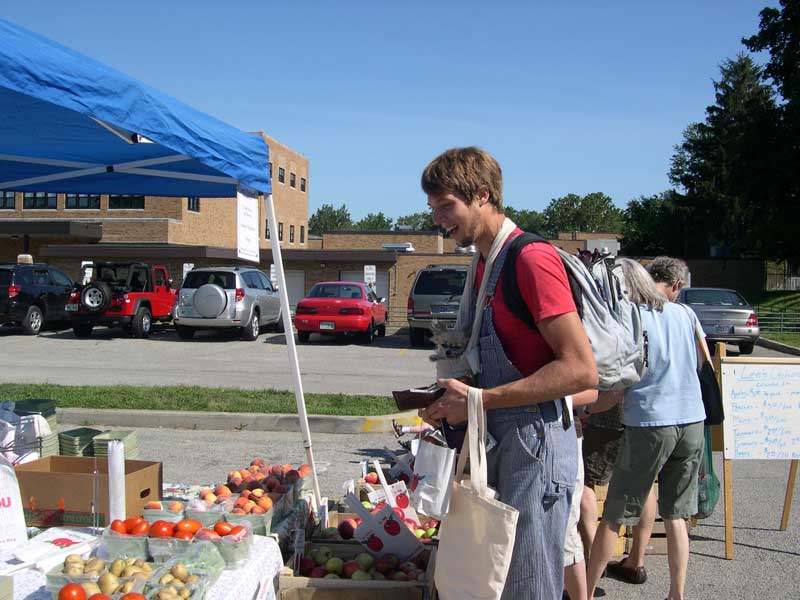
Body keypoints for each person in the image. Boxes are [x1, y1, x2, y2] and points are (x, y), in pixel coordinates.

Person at [418, 147, 598, 600]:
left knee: (528, 585)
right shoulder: (483, 262)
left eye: (446, 207)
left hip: (536, 450)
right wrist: (453, 401)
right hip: (505, 444)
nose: (439, 220)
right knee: (495, 581)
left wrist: (478, 401)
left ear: (482, 195)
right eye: (433, 208)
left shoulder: (530, 260)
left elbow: (581, 369)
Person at [585, 258, 706, 600]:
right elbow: (701, 362)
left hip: (651, 420)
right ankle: (676, 593)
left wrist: (586, 410)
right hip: (691, 417)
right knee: (677, 514)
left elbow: (619, 384)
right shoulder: (685, 314)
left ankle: (588, 592)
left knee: (615, 515)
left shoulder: (633, 318)